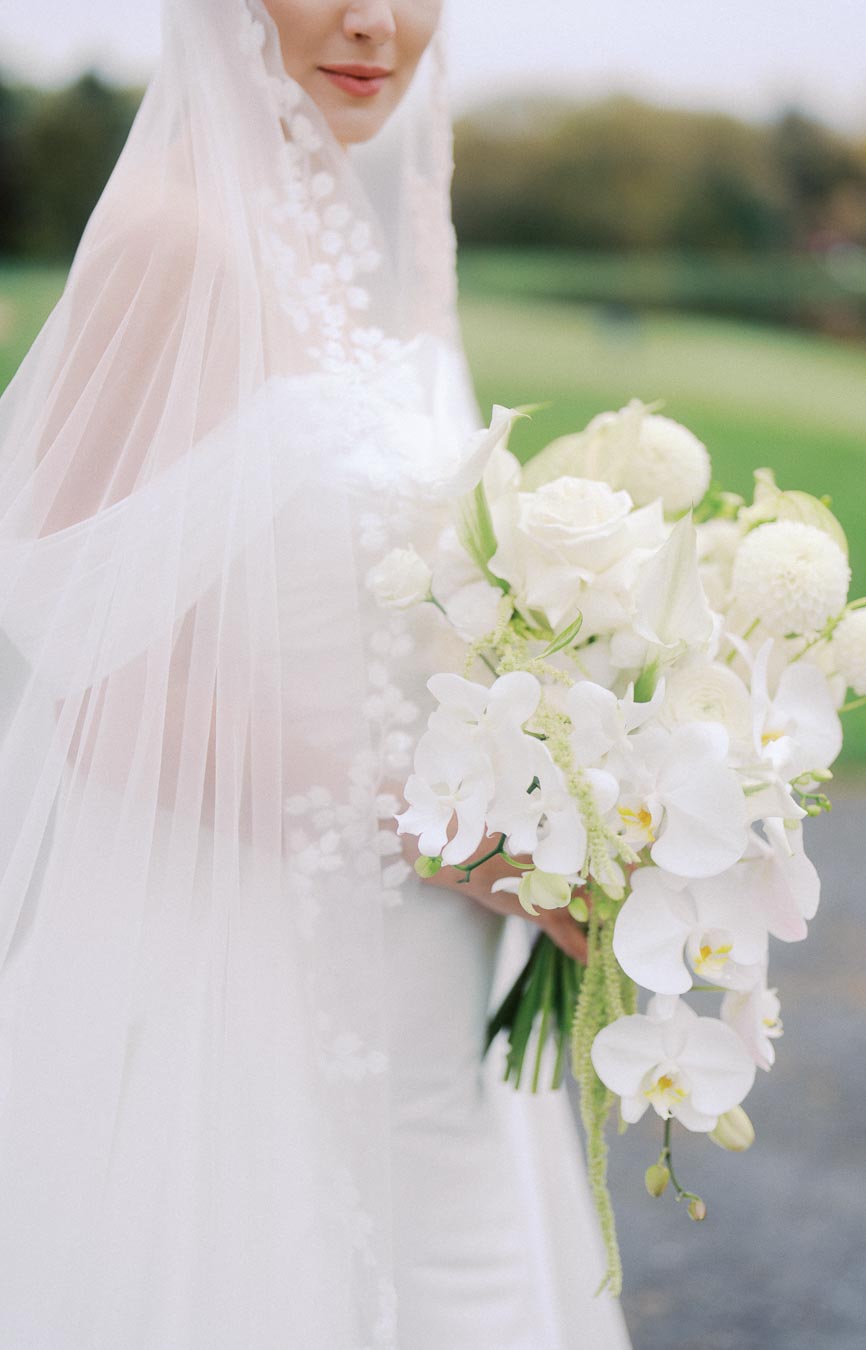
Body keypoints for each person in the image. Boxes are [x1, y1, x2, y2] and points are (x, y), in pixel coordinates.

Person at [0, 2, 632, 1346]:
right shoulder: (175, 238)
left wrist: (569, 780)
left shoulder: (385, 232)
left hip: (439, 942)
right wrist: (416, 812)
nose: (371, 21)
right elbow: (79, 658)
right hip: (259, 944)